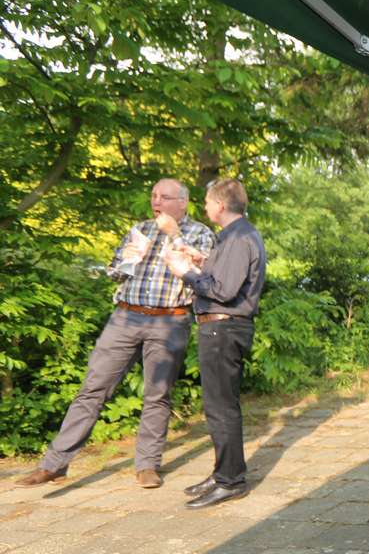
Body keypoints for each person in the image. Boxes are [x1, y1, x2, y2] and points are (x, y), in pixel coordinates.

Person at [15, 179, 216, 489]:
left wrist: (174, 235)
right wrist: (127, 259)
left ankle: (147, 466)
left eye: (164, 196)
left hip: (169, 321)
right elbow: (113, 273)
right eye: (154, 195)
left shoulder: (200, 234)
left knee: (157, 395)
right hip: (125, 317)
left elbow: (202, 277)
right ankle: (53, 465)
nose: (156, 201)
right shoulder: (140, 229)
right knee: (92, 389)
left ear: (182, 203)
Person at [163, 178, 266, 509]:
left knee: (221, 408)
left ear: (220, 205)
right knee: (219, 406)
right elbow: (226, 277)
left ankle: (231, 482)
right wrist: (202, 260)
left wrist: (186, 273)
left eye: (207, 202)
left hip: (224, 328)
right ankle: (224, 473)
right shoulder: (235, 237)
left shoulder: (238, 239)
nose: (204, 207)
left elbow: (223, 290)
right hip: (222, 328)